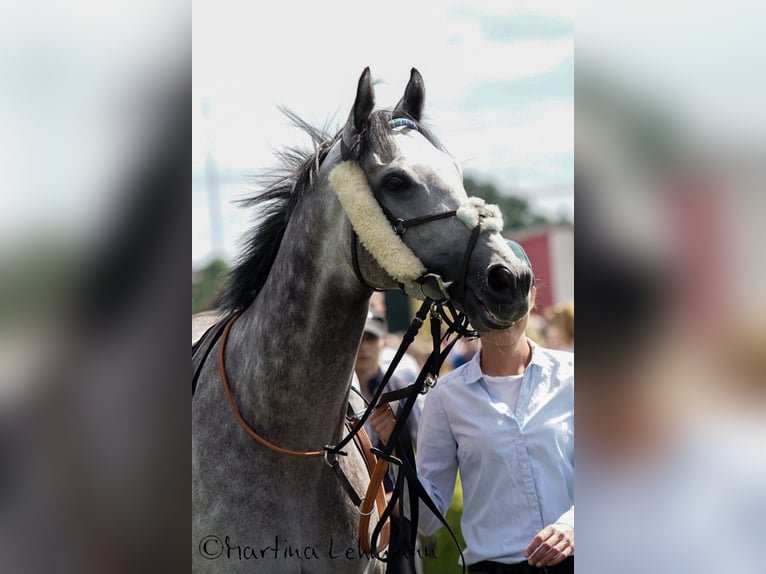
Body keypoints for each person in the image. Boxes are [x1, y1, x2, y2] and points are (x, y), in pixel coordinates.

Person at [371, 240, 574, 573]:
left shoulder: (574, 378)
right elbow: (427, 520)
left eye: (510, 291)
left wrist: (572, 527)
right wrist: (398, 453)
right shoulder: (445, 398)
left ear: (532, 296)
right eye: (486, 296)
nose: (501, 311)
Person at [354, 308, 422, 574]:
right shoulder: (333, 396)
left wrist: (400, 498)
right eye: (358, 337)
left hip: (396, 518)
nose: (363, 346)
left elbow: (425, 451)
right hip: (349, 518)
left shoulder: (403, 390)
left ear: (382, 341)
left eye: (370, 338)